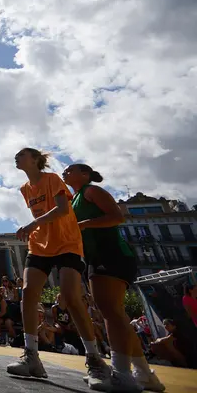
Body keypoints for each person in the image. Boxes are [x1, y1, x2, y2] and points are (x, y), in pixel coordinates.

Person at [7, 148, 111, 388]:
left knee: (72, 297)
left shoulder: (52, 179)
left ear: (35, 160)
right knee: (28, 293)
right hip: (40, 245)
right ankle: (31, 356)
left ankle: (95, 360)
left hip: (66, 242)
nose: (16, 157)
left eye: (22, 154)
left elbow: (63, 209)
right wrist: (35, 228)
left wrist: (33, 223)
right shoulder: (25, 189)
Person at [63, 163, 165, 391]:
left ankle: (122, 374)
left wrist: (85, 224)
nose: (65, 173)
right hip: (95, 257)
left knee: (110, 311)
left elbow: (116, 216)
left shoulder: (91, 191)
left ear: (85, 174)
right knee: (114, 312)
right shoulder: (75, 198)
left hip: (111, 253)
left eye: (70, 169)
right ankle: (144, 374)